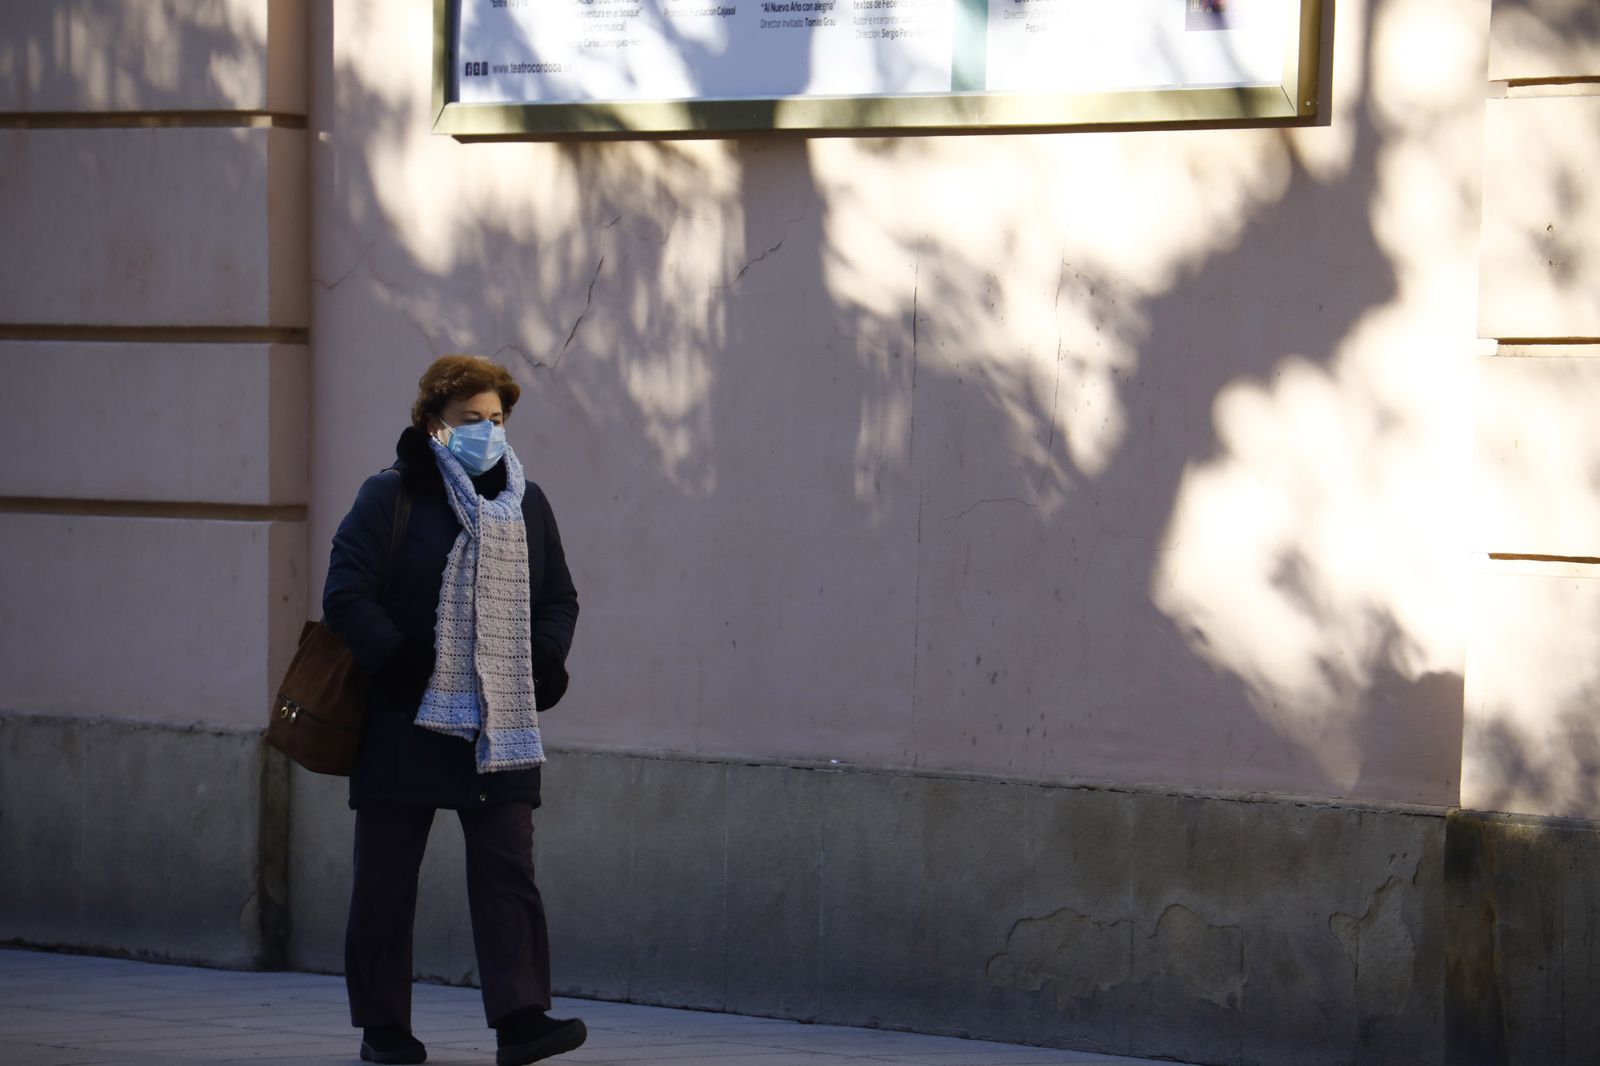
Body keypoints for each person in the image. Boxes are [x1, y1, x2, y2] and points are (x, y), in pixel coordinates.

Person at [323, 355, 584, 1066]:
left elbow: (558, 598)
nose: (487, 433)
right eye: (472, 420)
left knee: (508, 868)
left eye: (497, 420)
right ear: (435, 425)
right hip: (405, 717)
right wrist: (399, 662)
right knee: (385, 879)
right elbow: (345, 594)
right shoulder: (392, 496)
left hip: (499, 721)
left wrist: (544, 661)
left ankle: (522, 1019)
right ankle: (385, 1031)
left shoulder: (526, 503)